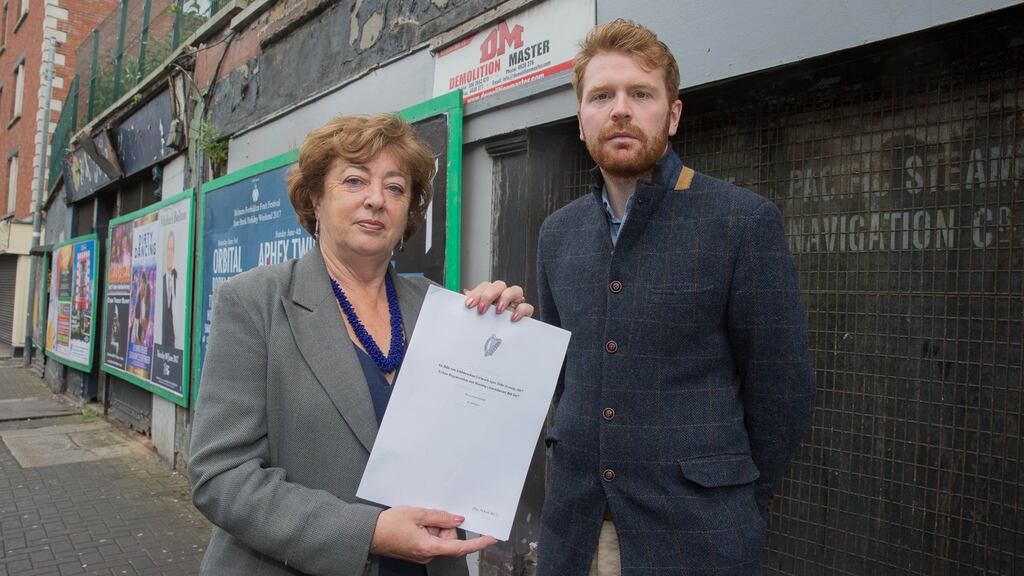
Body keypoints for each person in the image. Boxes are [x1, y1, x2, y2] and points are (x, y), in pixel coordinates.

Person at [189, 113, 534, 576]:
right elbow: (221, 476)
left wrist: (505, 339)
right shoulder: (254, 303)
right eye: (355, 181)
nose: (376, 200)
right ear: (315, 197)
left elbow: (478, 445)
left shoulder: (445, 312)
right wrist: (368, 533)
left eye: (395, 188)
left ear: (409, 210)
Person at [535, 20, 815, 575]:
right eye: (601, 96)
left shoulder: (740, 222)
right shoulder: (557, 233)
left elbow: (781, 391)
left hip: (698, 540)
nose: (620, 110)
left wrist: (739, 505)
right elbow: (564, 378)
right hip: (576, 535)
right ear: (580, 119)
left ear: (673, 113)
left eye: (640, 94)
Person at [162, 230, 178, 347]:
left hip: (173, 345)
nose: (170, 253)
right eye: (168, 249)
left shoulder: (177, 279)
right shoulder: (161, 280)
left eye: (172, 250)